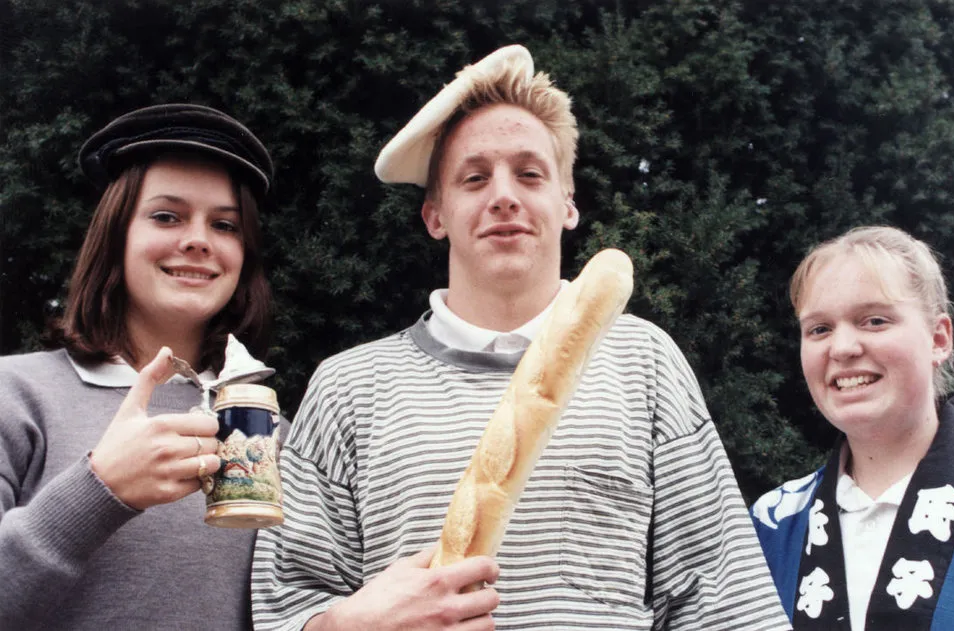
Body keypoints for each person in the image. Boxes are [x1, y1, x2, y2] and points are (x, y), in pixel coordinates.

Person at [252, 45, 789, 630]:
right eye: (475, 177)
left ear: (567, 203)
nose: (503, 195)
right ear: (435, 215)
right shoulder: (348, 388)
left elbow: (722, 597)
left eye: (529, 173)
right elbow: (283, 604)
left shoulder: (645, 361)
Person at [0, 103, 275, 630]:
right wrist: (98, 489)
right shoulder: (16, 396)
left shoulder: (269, 428)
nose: (198, 239)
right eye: (166, 216)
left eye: (224, 224)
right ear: (116, 236)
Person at [751, 226, 954, 630]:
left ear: (938, 338)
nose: (843, 347)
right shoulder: (771, 524)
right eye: (819, 329)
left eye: (874, 320)